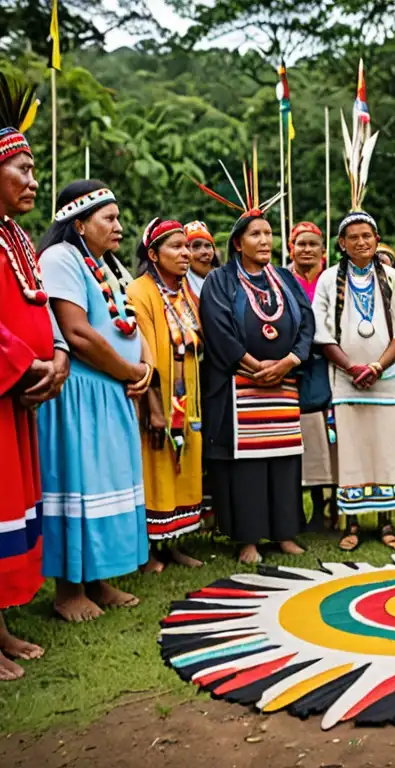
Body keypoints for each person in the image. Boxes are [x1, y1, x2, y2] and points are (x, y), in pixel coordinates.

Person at [37, 180, 151, 621]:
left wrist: (143, 370)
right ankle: (68, 591)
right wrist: (130, 371)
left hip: (110, 393)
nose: (119, 227)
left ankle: (98, 580)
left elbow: (126, 325)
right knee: (78, 486)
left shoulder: (106, 266)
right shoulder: (60, 258)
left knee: (106, 487)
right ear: (80, 223)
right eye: (109, 218)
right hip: (79, 395)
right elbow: (78, 334)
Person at [198, 181, 314, 565]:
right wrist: (252, 366)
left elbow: (307, 324)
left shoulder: (284, 278)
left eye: (268, 233)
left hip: (282, 385)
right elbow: (218, 328)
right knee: (245, 465)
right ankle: (247, 539)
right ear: (238, 243)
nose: (265, 240)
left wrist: (287, 363)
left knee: (283, 460)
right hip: (239, 386)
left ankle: (284, 533)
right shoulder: (220, 280)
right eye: (256, 234)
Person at [0, 75, 68, 678]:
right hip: (4, 393)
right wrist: (25, 365)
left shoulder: (17, 238)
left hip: (16, 401)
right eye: (21, 168)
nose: (32, 179)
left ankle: (1, 629)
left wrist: (58, 357)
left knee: (11, 509)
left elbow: (38, 308)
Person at [313, 213, 395, 551]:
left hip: (386, 382)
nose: (361, 242)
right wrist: (349, 367)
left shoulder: (394, 279)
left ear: (376, 240)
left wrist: (375, 366)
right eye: (353, 237)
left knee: (387, 452)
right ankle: (353, 524)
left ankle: (387, 524)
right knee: (352, 452)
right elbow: (320, 329)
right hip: (345, 384)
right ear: (342, 244)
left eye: (367, 236)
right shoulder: (330, 280)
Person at [129, 219, 205, 572]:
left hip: (187, 397)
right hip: (154, 397)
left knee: (180, 468)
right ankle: (146, 551)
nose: (185, 253)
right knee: (153, 468)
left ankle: (173, 543)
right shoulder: (139, 292)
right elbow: (141, 352)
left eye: (186, 246)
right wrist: (154, 408)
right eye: (176, 246)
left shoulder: (185, 293)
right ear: (153, 254)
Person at [289, 221, 337, 529]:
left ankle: (327, 507)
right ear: (290, 248)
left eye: (312, 244)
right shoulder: (281, 281)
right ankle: (298, 509)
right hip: (293, 367)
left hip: (328, 365)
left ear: (324, 250)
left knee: (328, 439)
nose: (307, 249)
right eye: (301, 243)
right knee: (299, 438)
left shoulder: (332, 281)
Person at [184, 220, 218, 301]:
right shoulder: (179, 283)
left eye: (208, 246)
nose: (204, 252)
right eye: (196, 246)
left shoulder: (225, 278)